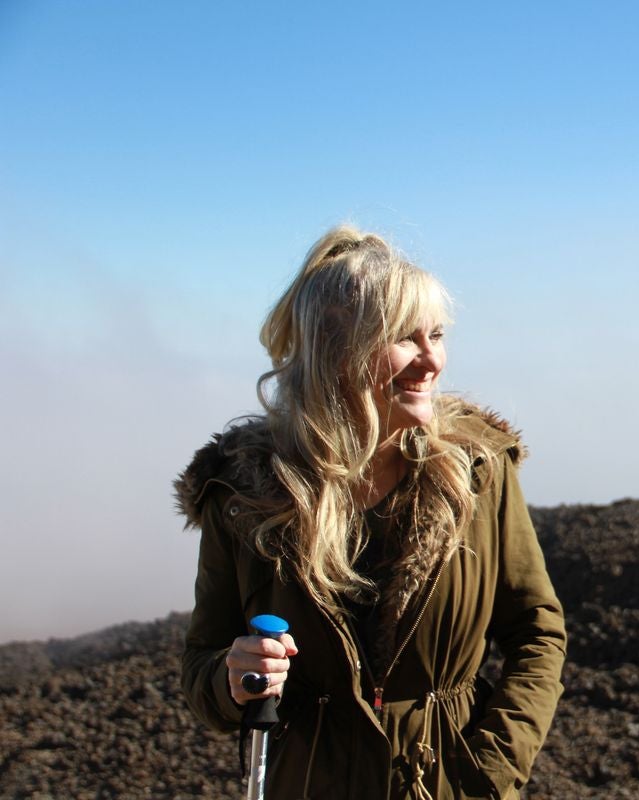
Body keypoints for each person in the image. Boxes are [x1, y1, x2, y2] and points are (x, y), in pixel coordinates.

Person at [175, 225, 567, 799]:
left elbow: (538, 631)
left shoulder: (478, 472)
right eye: (405, 338)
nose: (431, 360)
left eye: (436, 334)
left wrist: (487, 773)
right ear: (335, 351)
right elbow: (202, 666)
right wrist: (230, 678)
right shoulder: (242, 494)